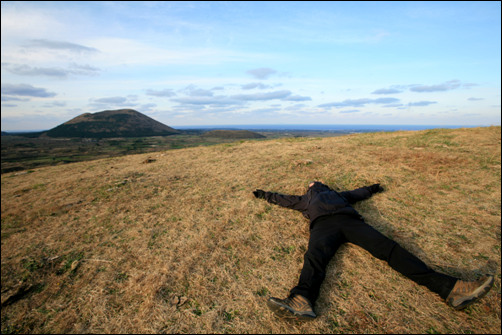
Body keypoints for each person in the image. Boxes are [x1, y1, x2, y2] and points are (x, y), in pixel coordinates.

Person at [253, 181, 494, 320]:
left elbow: (361, 192)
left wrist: (374, 187)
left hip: (351, 223)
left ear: (323, 185)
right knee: (314, 258)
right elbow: (282, 199)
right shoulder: (304, 199)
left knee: (390, 250)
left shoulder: (339, 195)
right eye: (310, 184)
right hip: (324, 227)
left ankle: (451, 289)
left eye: (314, 183)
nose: (312, 183)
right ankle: (301, 300)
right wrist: (264, 194)